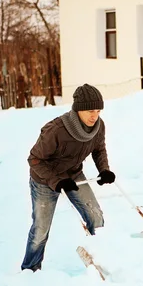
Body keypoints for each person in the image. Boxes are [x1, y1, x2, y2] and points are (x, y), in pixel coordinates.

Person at [21, 83, 116, 272]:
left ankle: (101, 261)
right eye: (90, 111)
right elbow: (35, 159)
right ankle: (30, 270)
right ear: (78, 109)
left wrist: (104, 169)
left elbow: (99, 149)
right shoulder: (56, 130)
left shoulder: (98, 126)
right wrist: (55, 181)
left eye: (98, 110)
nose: (94, 115)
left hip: (73, 174)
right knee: (41, 230)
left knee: (96, 217)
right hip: (45, 179)